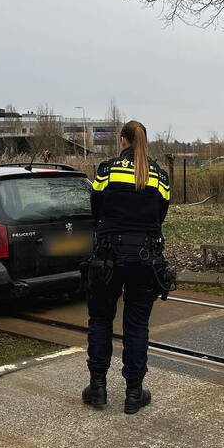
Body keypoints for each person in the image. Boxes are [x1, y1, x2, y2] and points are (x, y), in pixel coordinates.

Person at [84, 120, 173, 414]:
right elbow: (160, 218)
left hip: (107, 256)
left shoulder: (106, 170)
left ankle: (98, 388)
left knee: (100, 319)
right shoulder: (159, 176)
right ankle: (134, 394)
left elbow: (95, 209)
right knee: (136, 326)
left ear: (123, 141)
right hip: (145, 258)